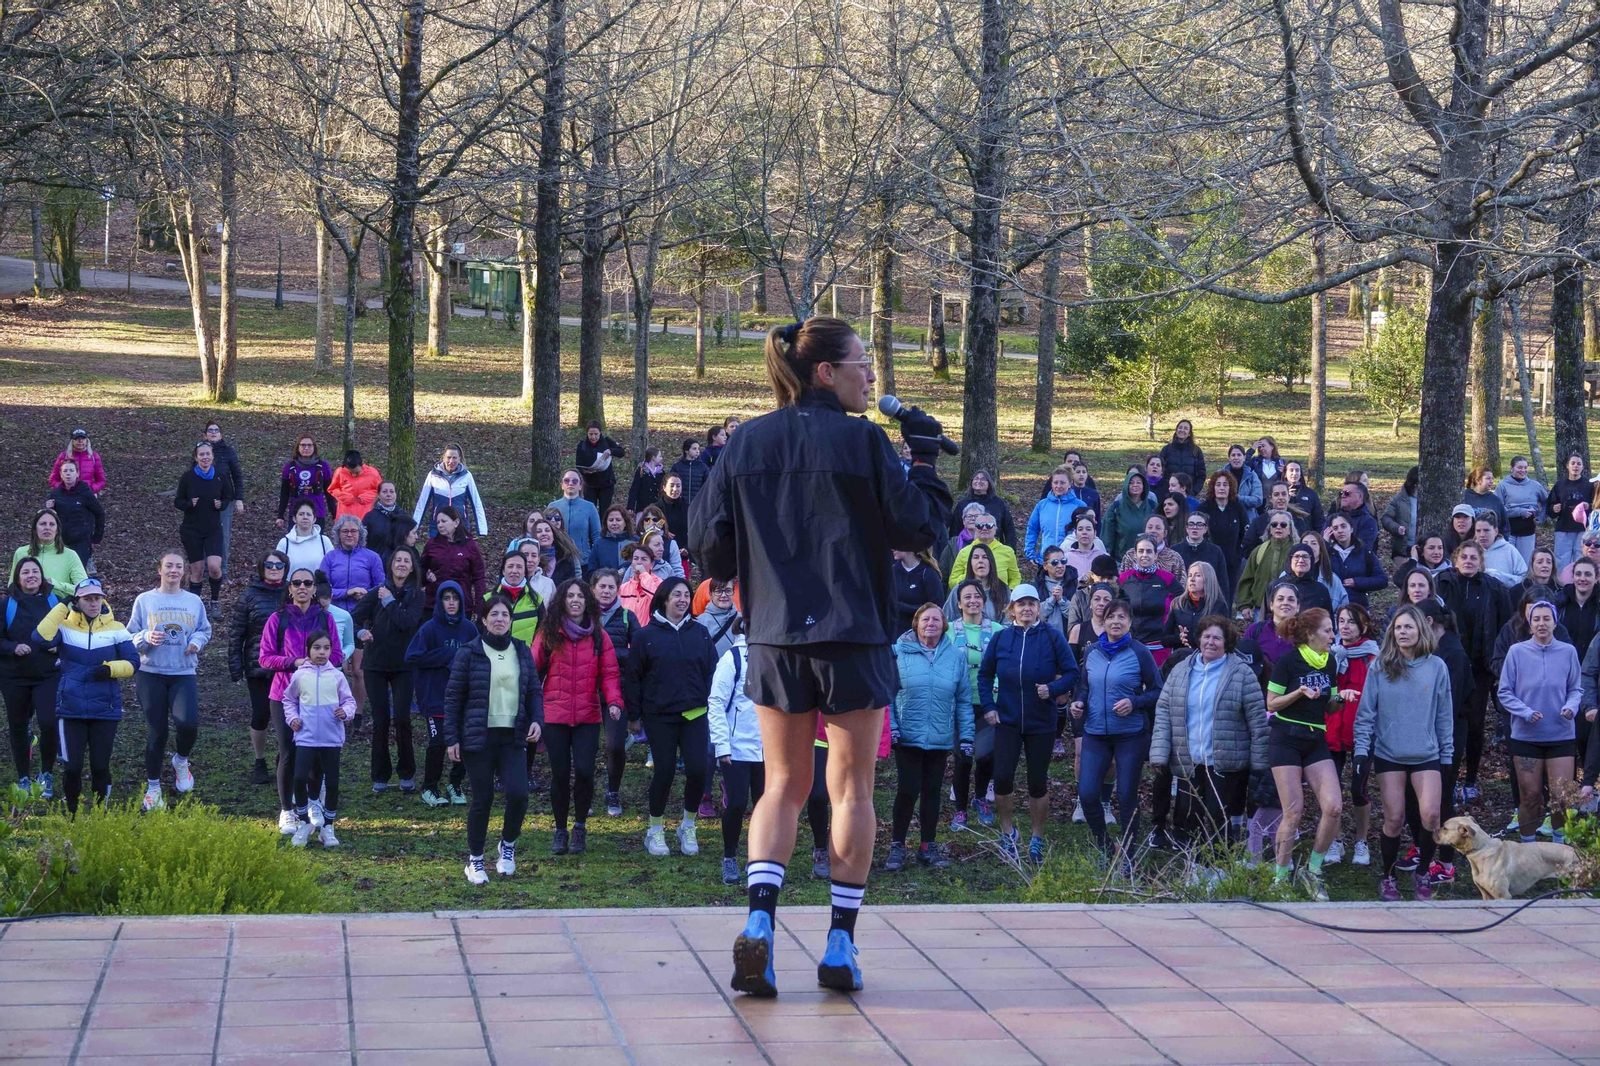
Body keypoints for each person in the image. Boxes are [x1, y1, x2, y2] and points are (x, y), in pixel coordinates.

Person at [693, 316, 949, 998]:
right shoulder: (864, 440)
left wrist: (750, 559)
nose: (872, 375)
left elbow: (707, 545)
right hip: (853, 632)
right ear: (826, 372)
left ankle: (760, 926)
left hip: (775, 633)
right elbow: (920, 528)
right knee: (852, 789)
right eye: (863, 363)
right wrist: (924, 464)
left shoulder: (746, 441)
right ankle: (840, 942)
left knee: (780, 785)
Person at [1351, 604, 1452, 901]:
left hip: (1426, 754)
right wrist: (1360, 753)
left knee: (1431, 816)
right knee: (1394, 818)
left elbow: (1444, 716)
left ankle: (1422, 871)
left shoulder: (1437, 667)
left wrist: (1447, 756)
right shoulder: (1380, 666)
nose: (1402, 632)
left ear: (1421, 629)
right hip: (1390, 754)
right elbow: (1365, 715)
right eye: (1397, 628)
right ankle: (1389, 876)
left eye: (1408, 626)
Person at [445, 596, 544, 884]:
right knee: (483, 799)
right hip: (478, 736)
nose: (500, 619)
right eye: (494, 614)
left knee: (518, 794)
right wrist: (452, 737)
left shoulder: (521, 651)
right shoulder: (469, 652)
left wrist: (537, 720)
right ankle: (475, 859)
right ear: (484, 620)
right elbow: (453, 698)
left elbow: (534, 691)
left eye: (505, 615)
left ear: (511, 621)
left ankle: (508, 846)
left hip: (512, 735)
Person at [979, 586, 1079, 864]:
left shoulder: (1052, 636)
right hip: (1007, 720)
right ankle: (1007, 832)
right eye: (1021, 604)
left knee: (1037, 782)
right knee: (1001, 778)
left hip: (1041, 722)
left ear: (1038, 608)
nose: (1026, 609)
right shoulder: (1001, 638)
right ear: (1012, 609)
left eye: (1031, 604)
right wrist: (988, 707)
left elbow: (1073, 672)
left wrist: (1053, 687)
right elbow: (985, 674)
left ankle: (1036, 836)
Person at [1150, 616, 1267, 845]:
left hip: (1223, 760)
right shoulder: (1181, 671)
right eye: (1206, 636)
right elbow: (1164, 711)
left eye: (1217, 637)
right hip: (1189, 759)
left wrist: (1260, 761)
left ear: (1227, 642)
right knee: (1188, 813)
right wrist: (1159, 753)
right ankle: (1194, 867)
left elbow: (1257, 719)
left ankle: (1219, 871)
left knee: (1217, 817)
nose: (1210, 642)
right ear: (1199, 640)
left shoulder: (1242, 673)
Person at [624, 577, 718, 857]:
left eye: (686, 595)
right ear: (664, 599)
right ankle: (655, 829)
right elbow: (633, 678)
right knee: (663, 772)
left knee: (698, 771)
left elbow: (712, 670)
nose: (682, 600)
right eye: (676, 595)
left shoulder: (699, 633)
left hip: (695, 714)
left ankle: (688, 825)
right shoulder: (644, 636)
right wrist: (634, 716)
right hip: (659, 715)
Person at [31, 578, 137, 813]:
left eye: (97, 598)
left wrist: (111, 669)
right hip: (70, 709)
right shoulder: (64, 628)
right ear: (77, 602)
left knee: (100, 767)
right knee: (72, 768)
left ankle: (100, 815)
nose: (93, 603)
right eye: (88, 599)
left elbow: (133, 663)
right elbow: (40, 638)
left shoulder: (117, 629)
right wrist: (62, 606)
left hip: (105, 709)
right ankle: (72, 814)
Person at [533, 579, 623, 856]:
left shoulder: (599, 635)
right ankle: (560, 830)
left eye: (580, 596)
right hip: (555, 715)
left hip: (587, 715)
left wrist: (614, 702)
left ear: (588, 601)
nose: (575, 600)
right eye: (570, 595)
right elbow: (532, 672)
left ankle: (580, 826)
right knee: (560, 775)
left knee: (584, 772)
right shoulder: (548, 633)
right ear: (562, 600)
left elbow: (609, 673)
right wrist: (531, 710)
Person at [1070, 599, 1160, 862]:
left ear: (1130, 622)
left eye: (1122, 617)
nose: (1116, 622)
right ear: (1103, 621)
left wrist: (1134, 702)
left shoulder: (1140, 652)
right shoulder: (1093, 651)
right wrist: (1079, 702)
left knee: (1126, 795)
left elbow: (1156, 690)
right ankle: (1106, 846)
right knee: (1087, 795)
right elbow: (1084, 687)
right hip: (1095, 732)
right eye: (1111, 617)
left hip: (1130, 734)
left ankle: (1129, 856)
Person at [1264, 608, 1344, 900]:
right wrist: (1298, 692)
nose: (1332, 635)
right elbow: (1271, 704)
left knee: (1334, 807)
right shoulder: (1288, 661)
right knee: (1293, 812)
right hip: (1285, 739)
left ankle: (1312, 870)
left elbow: (1330, 705)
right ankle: (1281, 878)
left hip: (1315, 739)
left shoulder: (1330, 661)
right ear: (1310, 634)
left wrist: (1340, 699)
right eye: (1327, 630)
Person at [259, 567, 344, 834]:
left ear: (314, 588)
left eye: (308, 583)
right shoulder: (278, 619)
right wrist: (293, 662)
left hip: (320, 696)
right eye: (297, 583)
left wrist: (319, 661)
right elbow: (264, 658)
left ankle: (312, 802)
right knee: (288, 751)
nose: (303, 587)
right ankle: (287, 810)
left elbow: (338, 654)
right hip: (284, 694)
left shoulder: (325, 618)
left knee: (317, 751)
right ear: (290, 588)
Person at [887, 604, 971, 871]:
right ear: (916, 623)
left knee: (933, 792)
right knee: (908, 790)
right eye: (925, 619)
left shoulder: (956, 656)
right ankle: (897, 846)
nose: (931, 623)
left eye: (936, 619)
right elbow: (887, 693)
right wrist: (892, 727)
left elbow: (964, 700)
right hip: (907, 736)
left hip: (940, 736)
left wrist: (966, 737)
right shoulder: (898, 652)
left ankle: (927, 846)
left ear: (944, 624)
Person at [128, 551, 211, 812]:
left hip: (182, 673)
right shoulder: (145, 600)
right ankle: (153, 789)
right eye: (168, 566)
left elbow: (203, 629)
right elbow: (128, 634)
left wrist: (196, 642)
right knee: (157, 732)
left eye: (178, 566)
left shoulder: (193, 601)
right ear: (159, 570)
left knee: (188, 724)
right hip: (150, 672)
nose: (173, 570)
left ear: (184, 571)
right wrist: (144, 638)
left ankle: (181, 760)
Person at [1499, 600, 1581, 846]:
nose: (1542, 623)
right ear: (1530, 623)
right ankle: (1528, 848)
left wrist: (1570, 707)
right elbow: (1505, 693)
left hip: (1561, 735)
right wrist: (1524, 711)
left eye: (1547, 618)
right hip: (1526, 737)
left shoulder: (1568, 652)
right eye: (1537, 619)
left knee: (1561, 797)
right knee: (1531, 796)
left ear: (1555, 623)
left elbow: (1576, 689)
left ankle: (1559, 848)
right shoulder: (1517, 652)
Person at [1437, 541, 1512, 802]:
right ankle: (1446, 778)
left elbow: (1506, 626)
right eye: (1464, 557)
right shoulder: (1443, 584)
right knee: (1448, 720)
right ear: (1455, 560)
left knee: (1474, 723)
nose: (1468, 561)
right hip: (1448, 665)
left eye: (1474, 557)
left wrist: (1497, 664)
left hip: (1480, 668)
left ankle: (1470, 780)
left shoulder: (1494, 589)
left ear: (1481, 561)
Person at [405, 580, 476, 808]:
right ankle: (429, 788)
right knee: (437, 742)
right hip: (434, 696)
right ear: (439, 601)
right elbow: (412, 657)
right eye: (446, 598)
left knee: (465, 742)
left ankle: (454, 783)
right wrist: (445, 656)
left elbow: (478, 658)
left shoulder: (469, 629)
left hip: (463, 698)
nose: (451, 603)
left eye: (455, 598)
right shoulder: (429, 628)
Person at [281, 630, 353, 848]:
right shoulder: (300, 675)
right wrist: (292, 718)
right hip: (306, 738)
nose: (321, 652)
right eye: (317, 648)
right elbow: (288, 700)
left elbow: (350, 701)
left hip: (331, 739)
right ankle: (304, 822)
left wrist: (345, 712)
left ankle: (328, 827)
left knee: (331, 782)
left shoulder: (337, 676)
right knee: (300, 778)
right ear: (308, 650)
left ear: (331, 651)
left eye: (326, 648)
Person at [1324, 605, 1378, 867]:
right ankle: (1335, 840)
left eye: (1351, 622)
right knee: (1331, 789)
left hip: (1362, 731)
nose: (1345, 626)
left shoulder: (1372, 656)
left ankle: (1361, 840)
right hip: (1332, 729)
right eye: (1341, 621)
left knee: (1358, 787)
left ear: (1363, 627)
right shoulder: (1329, 654)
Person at [1, 558, 60, 796]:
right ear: (17, 578)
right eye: (25, 572)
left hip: (48, 675)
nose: (31, 575)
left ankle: (46, 774)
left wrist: (60, 645)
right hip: (14, 677)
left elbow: (69, 632)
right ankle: (24, 776)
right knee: (18, 726)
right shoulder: (7, 605)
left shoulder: (55, 603)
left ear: (42, 576)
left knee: (49, 723)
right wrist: (12, 648)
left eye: (35, 571)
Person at [230, 552, 289, 786]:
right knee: (261, 714)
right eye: (269, 564)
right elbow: (236, 634)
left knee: (289, 715)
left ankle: (284, 756)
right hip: (258, 665)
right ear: (261, 567)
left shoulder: (292, 593)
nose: (274, 568)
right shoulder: (248, 596)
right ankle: (259, 759)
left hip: (289, 666)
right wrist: (235, 667)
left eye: (279, 565)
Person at [710, 617, 761, 883]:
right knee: (738, 804)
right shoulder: (732, 658)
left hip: (769, 750)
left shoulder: (775, 657)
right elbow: (716, 702)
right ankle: (729, 857)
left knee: (766, 808)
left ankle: (762, 862)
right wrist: (722, 745)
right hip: (737, 749)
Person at [948, 580, 1000, 828]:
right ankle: (959, 809)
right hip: (960, 704)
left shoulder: (999, 630)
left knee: (986, 756)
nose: (972, 601)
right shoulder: (948, 631)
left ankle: (980, 799)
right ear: (958, 603)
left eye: (977, 596)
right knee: (963, 757)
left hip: (989, 703)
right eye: (967, 597)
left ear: (984, 601)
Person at [171, 441, 234, 611]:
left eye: (208, 454)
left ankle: (215, 601)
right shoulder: (188, 477)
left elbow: (228, 497)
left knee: (214, 567)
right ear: (196, 457)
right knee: (197, 571)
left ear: (212, 456)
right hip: (192, 529)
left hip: (213, 529)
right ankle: (195, 606)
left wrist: (222, 504)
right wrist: (189, 503)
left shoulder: (220, 476)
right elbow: (178, 502)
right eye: (201, 454)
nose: (205, 457)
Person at [1118, 537, 1177, 662]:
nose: (1145, 555)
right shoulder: (1123, 579)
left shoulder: (1168, 579)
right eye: (1141, 551)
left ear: (1156, 555)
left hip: (1159, 646)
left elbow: (1183, 604)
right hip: (1129, 644)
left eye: (1149, 551)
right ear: (1135, 554)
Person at [421, 506, 485, 616]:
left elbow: (479, 577)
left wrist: (480, 606)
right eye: (438, 522)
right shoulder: (432, 544)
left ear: (456, 522)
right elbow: (421, 568)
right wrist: (426, 577)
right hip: (433, 604)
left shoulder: (470, 546)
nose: (440, 525)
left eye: (444, 521)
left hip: (462, 605)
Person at [414, 443, 488, 538]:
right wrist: (414, 528)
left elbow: (476, 503)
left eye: (454, 458)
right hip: (438, 527)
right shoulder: (433, 475)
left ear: (459, 459)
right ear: (443, 458)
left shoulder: (466, 476)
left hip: (461, 526)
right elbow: (422, 503)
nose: (451, 461)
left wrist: (482, 530)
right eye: (448, 457)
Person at [45, 459, 104, 574]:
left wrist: (97, 537)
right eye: (65, 471)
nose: (68, 473)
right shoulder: (56, 493)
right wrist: (48, 508)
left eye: (71, 470)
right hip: (61, 541)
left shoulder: (85, 492)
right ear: (61, 475)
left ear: (77, 474)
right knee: (59, 573)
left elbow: (100, 513)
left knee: (76, 573)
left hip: (81, 540)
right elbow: (49, 517)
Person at [1235, 510, 1297, 619]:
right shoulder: (1259, 551)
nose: (1278, 527)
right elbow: (1247, 579)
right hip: (1262, 610)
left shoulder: (1297, 552)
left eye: (1283, 525)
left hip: (1291, 611)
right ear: (1270, 529)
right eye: (1274, 524)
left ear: (1290, 529)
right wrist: (1245, 605)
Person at [202, 421, 246, 572]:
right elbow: (192, 475)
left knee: (223, 536)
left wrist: (239, 498)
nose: (213, 432)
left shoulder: (228, 451)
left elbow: (237, 475)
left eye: (216, 430)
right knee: (203, 533)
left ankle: (222, 570)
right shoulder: (200, 451)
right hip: (203, 501)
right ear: (205, 434)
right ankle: (205, 570)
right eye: (210, 430)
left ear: (221, 434)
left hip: (224, 500)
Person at [1025, 466, 1086, 565]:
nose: (1058, 486)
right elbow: (1032, 528)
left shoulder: (1080, 506)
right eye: (1055, 482)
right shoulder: (1042, 505)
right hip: (1046, 559)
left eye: (1062, 482)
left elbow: (1087, 531)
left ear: (1070, 484)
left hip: (1071, 560)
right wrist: (1030, 552)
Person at [1197, 471, 1247, 591]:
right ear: (1213, 487)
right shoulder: (1204, 508)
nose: (1221, 488)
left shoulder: (1238, 507)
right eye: (1218, 484)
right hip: (1209, 562)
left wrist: (1238, 555)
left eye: (1225, 484)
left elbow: (1245, 532)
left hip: (1232, 563)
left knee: (1227, 599)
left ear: (1231, 487)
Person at [1164, 561, 1228, 653]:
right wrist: (1179, 638)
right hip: (1182, 659)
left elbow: (1226, 638)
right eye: (1190, 575)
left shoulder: (1218, 606)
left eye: (1197, 575)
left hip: (1208, 660)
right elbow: (1164, 639)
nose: (1192, 579)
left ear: (1208, 579)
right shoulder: (1177, 604)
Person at [1326, 513, 1386, 609]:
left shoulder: (1365, 552)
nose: (1340, 531)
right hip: (1332, 608)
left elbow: (1382, 580)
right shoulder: (1327, 553)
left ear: (1351, 529)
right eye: (1335, 528)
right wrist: (1324, 543)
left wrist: (1357, 582)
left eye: (1343, 526)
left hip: (1358, 606)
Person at [947, 512, 1021, 588]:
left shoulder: (1007, 551)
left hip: (999, 598)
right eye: (980, 526)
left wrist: (1008, 594)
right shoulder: (964, 552)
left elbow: (1015, 578)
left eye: (989, 525)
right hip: (973, 598)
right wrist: (969, 574)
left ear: (996, 528)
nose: (984, 528)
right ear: (975, 529)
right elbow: (952, 582)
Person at [276, 435, 335, 528]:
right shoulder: (289, 467)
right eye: (303, 445)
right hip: (296, 512)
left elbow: (330, 493)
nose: (306, 448)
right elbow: (284, 493)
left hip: (317, 512)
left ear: (314, 447)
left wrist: (334, 515)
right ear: (298, 447)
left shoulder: (323, 466)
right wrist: (280, 516)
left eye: (309, 445)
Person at [949, 469, 1016, 548]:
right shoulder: (962, 504)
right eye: (976, 478)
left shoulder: (998, 503)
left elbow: (1009, 529)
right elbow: (954, 530)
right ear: (971, 482)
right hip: (965, 547)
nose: (979, 481)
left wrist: (1010, 550)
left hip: (994, 547)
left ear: (989, 483)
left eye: (983, 479)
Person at [548, 470, 603, 568]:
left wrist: (596, 559)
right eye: (567, 480)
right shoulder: (553, 506)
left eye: (575, 481)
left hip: (583, 562)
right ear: (562, 485)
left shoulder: (589, 507)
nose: (570, 483)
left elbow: (596, 536)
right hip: (557, 561)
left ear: (580, 486)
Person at [1174, 512, 1231, 603]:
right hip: (1181, 603)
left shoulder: (1215, 551)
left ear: (1205, 529)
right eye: (1191, 524)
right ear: (1186, 528)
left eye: (1199, 524)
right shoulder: (1175, 550)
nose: (1195, 527)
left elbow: (1222, 583)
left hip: (1209, 602)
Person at [1104, 469, 1157, 560]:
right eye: (1131, 483)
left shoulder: (1152, 506)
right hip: (1121, 559)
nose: (1135, 485)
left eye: (1139, 482)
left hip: (1148, 558)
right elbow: (1107, 534)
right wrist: (1106, 556)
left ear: (1144, 486)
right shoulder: (1116, 507)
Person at [1550, 453, 1590, 571]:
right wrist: (1554, 508)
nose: (1575, 466)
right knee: (1561, 560)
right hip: (1563, 529)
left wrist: (1589, 506)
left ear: (1583, 467)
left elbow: (1597, 506)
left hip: (1583, 529)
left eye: (1579, 464)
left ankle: (1579, 585)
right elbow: (1550, 507)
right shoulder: (1559, 485)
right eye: (1573, 463)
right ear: (1567, 465)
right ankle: (1562, 585)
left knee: (1581, 559)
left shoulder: (1589, 485)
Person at [576, 422, 627, 512]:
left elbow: (621, 452)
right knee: (591, 510)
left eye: (596, 434)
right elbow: (578, 464)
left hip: (606, 483)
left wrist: (610, 451)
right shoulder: (582, 445)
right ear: (587, 433)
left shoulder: (606, 441)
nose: (593, 437)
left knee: (605, 511)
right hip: (590, 484)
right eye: (590, 434)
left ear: (600, 433)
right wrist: (584, 471)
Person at [892, 550, 945, 637]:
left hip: (921, 635)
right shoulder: (892, 571)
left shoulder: (928, 573)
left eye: (897, 545)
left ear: (909, 548)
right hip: (895, 634)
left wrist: (901, 607)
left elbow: (937, 606)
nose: (893, 549)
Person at [275, 501, 333, 579]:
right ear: (294, 519)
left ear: (314, 519)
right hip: (291, 590)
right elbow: (278, 570)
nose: (305, 517)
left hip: (319, 590)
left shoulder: (324, 541)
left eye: (308, 514)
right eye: (301, 514)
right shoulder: (285, 543)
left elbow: (332, 568)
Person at [1474, 511, 1529, 587]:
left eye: (1486, 530)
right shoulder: (1470, 551)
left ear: (1496, 531)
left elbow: (1524, 579)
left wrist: (1500, 576)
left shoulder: (1509, 550)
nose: (1482, 535)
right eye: (1478, 531)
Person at [1325, 482, 1380, 554]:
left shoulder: (1368, 522)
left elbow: (1363, 550)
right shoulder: (1333, 518)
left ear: (1360, 497)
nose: (1343, 496)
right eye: (1341, 493)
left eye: (1347, 493)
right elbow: (1323, 543)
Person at [364, 482, 414, 559]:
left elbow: (410, 542)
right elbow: (362, 542)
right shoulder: (370, 517)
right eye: (384, 491)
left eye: (391, 491)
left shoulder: (403, 516)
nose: (388, 495)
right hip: (375, 562)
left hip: (398, 563)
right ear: (378, 495)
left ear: (395, 494)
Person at [328, 450, 382, 521]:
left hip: (366, 515)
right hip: (345, 515)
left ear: (362, 464)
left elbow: (381, 491)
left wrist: (367, 497)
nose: (353, 475)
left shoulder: (373, 473)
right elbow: (332, 489)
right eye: (351, 472)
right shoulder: (339, 472)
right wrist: (343, 496)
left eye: (357, 473)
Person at [50, 428, 106, 495]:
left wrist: (92, 489)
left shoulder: (94, 456)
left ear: (87, 441)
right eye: (76, 439)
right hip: (68, 495)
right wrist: (63, 489)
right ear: (72, 441)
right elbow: (53, 480)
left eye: (83, 438)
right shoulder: (64, 456)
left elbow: (101, 480)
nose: (80, 441)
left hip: (88, 495)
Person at [1036, 545, 1077, 636]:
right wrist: (1052, 600)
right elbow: (1034, 614)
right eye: (1055, 563)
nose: (1060, 566)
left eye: (1063, 561)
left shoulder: (1074, 584)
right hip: (1042, 637)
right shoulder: (1037, 586)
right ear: (1045, 566)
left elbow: (1077, 615)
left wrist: (1062, 601)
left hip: (1069, 638)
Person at [697, 578, 743, 659]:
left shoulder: (743, 620)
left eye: (728, 591)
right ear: (710, 594)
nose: (724, 595)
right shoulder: (699, 623)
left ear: (733, 593)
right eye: (718, 591)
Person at [1381, 466, 1420, 560]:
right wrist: (1396, 528)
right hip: (1403, 549)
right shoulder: (1399, 499)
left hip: (1423, 549)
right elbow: (1386, 518)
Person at [1159, 419, 1206, 486]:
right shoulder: (1166, 450)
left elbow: (1201, 475)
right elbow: (1160, 471)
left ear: (1189, 433)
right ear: (1176, 430)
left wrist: (1193, 491)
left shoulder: (1196, 451)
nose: (1182, 430)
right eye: (1180, 427)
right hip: (1168, 492)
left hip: (1189, 493)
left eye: (1186, 428)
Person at [1224, 445, 1264, 521]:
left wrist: (1238, 498)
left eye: (1239, 455)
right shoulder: (1220, 474)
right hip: (1225, 516)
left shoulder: (1252, 476)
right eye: (1233, 455)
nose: (1236, 458)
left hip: (1247, 518)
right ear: (1229, 458)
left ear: (1244, 457)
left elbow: (1258, 500)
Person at [1462, 465, 1508, 531]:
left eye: (1492, 478)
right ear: (1478, 480)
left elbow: (1504, 525)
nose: (1492, 481)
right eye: (1488, 478)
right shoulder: (1465, 496)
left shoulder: (1495, 500)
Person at [1282, 461, 1324, 533]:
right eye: (1291, 470)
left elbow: (1319, 519)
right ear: (1285, 474)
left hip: (1305, 536)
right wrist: (1285, 496)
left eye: (1297, 470)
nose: (1294, 473)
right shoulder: (1278, 492)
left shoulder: (1310, 493)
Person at [1063, 514, 1108, 580]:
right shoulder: (1066, 558)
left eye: (1088, 529)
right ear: (1075, 533)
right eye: (1080, 529)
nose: (1084, 532)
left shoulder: (1104, 557)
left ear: (1095, 533)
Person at [626, 447, 666, 519]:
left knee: (657, 528)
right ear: (653, 457)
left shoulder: (661, 472)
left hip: (658, 508)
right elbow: (634, 489)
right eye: (660, 456)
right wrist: (630, 506)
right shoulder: (641, 471)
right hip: (642, 508)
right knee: (642, 528)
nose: (661, 458)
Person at [593, 506, 635, 574]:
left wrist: (624, 571)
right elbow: (592, 570)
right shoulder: (599, 543)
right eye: (611, 520)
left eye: (618, 520)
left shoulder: (636, 541)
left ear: (625, 522)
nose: (614, 523)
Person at [671, 438, 711, 506]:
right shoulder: (677, 467)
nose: (697, 451)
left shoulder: (703, 467)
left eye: (698, 449)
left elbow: (708, 485)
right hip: (680, 504)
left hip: (697, 504)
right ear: (686, 450)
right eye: (694, 449)